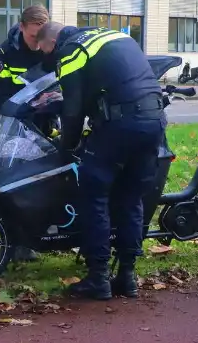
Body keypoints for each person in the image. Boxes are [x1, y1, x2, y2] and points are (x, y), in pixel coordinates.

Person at [35, 22, 165, 300]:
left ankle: (98, 278)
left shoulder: (70, 50)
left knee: (94, 194)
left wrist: (65, 147)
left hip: (120, 124)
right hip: (154, 121)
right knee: (131, 198)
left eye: (44, 49)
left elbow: (73, 111)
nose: (45, 55)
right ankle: (127, 277)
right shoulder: (111, 34)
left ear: (53, 41)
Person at [0, 4, 52, 263]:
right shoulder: (4, 53)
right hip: (13, 124)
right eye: (32, 35)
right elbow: (1, 94)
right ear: (22, 27)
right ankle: (13, 242)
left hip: (44, 123)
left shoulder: (52, 49)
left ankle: (33, 240)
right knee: (9, 184)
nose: (37, 42)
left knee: (41, 183)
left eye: (41, 36)